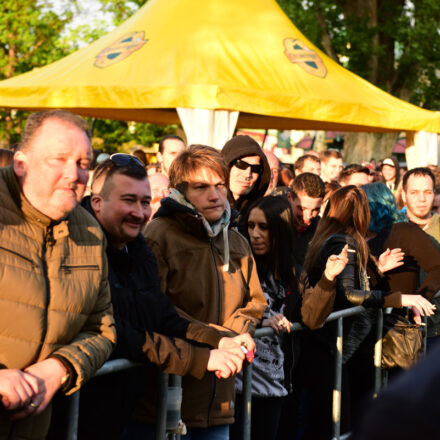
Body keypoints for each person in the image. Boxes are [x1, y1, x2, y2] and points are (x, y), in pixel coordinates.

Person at [73, 154, 249, 440]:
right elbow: (119, 331)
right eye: (128, 200)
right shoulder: (81, 248)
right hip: (81, 409)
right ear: (97, 203)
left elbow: (162, 313)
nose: (140, 212)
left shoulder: (138, 248)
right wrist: (201, 358)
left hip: (121, 406)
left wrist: (218, 338)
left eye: (145, 202)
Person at [130, 145, 267, 439]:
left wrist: (236, 334)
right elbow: (158, 307)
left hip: (220, 399)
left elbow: (254, 302)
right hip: (167, 398)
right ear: (180, 191)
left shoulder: (237, 241)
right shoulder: (159, 235)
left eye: (219, 185)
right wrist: (217, 338)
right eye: (201, 187)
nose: (214, 194)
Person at [0, 110, 116, 439]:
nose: (74, 174)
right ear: (21, 162)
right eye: (59, 159)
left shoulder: (90, 233)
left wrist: (59, 368)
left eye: (83, 162)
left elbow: (102, 329)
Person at [300, 186, 434, 439]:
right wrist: (400, 297)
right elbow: (349, 293)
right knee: (334, 427)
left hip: (329, 348)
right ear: (362, 213)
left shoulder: (333, 239)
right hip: (329, 348)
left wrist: (377, 271)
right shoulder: (343, 242)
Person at [230, 196, 349, 440]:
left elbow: (312, 319)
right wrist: (259, 322)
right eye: (251, 226)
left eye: (263, 227)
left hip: (276, 384)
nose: (255, 234)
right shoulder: (235, 266)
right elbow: (223, 312)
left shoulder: (294, 273)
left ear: (280, 230)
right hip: (235, 381)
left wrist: (328, 278)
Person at [221, 135, 271, 228]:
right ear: (227, 164)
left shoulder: (261, 218)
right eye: (241, 165)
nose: (248, 174)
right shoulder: (205, 209)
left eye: (256, 168)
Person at [286, 172, 325, 266]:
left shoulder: (321, 230)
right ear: (289, 198)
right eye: (302, 208)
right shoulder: (271, 218)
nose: (308, 216)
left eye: (316, 210)